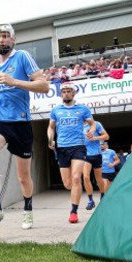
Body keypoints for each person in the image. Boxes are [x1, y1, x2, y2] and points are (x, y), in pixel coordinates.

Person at [0, 23, 49, 231]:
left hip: (21, 123)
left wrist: (14, 81)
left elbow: (43, 85)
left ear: (13, 39)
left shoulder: (22, 57)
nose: (1, 39)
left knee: (23, 177)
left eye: (5, 36)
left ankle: (27, 209)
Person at [47, 82, 96, 223]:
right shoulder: (56, 110)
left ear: (74, 93)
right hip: (62, 148)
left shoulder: (82, 109)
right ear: (61, 94)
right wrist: (51, 140)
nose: (66, 93)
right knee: (68, 184)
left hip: (78, 147)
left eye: (69, 91)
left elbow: (92, 124)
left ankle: (73, 212)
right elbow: (50, 128)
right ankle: (74, 197)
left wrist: (91, 133)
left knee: (76, 179)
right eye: (64, 92)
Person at [81, 118, 109, 210]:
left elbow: (106, 137)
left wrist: (94, 138)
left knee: (98, 178)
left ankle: (102, 195)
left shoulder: (96, 124)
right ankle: (90, 200)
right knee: (85, 177)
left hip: (97, 154)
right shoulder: (77, 127)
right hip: (85, 155)